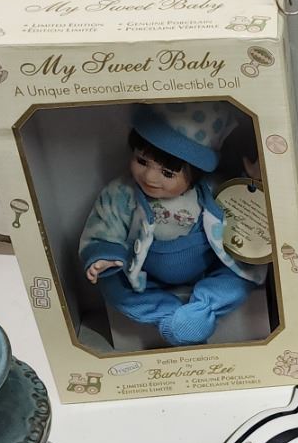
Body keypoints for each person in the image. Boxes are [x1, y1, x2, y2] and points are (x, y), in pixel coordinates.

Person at [79, 103, 267, 347]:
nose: (149, 177)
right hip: (144, 275)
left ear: (196, 173)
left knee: (240, 277)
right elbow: (105, 222)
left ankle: (204, 306)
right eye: (141, 160)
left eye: (168, 173)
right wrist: (105, 254)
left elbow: (243, 207)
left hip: (207, 269)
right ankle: (169, 316)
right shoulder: (122, 193)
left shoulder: (211, 190)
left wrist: (252, 180)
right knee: (113, 286)